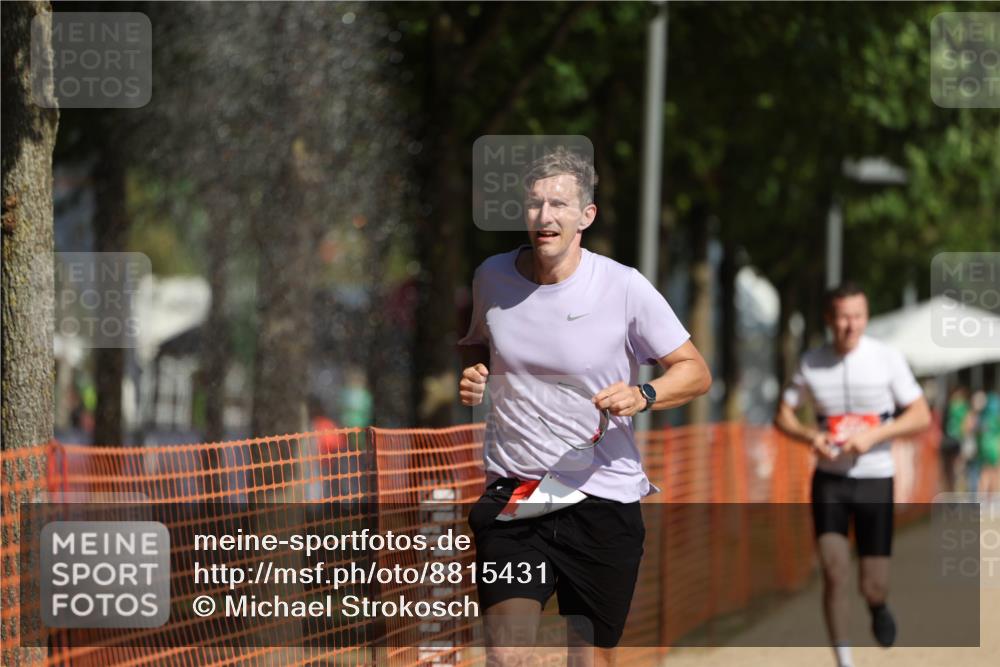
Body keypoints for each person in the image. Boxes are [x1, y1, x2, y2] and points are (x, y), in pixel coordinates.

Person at [458, 148, 711, 667]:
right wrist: (473, 373)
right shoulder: (492, 278)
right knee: (506, 654)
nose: (545, 217)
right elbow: (474, 343)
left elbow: (694, 370)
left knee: (586, 660)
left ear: (585, 216)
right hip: (519, 493)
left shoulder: (622, 287)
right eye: (534, 204)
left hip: (601, 496)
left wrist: (645, 394)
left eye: (559, 204)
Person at [774, 282, 931, 667]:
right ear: (829, 319)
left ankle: (878, 606)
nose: (851, 325)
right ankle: (844, 660)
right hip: (830, 480)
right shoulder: (812, 362)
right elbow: (783, 415)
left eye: (858, 316)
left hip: (876, 478)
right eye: (843, 317)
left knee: (872, 582)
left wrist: (875, 435)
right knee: (834, 570)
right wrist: (812, 436)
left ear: (866, 316)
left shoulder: (886, 358)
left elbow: (920, 414)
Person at [941, 386, 970, 492]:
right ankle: (954, 491)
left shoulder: (951, 406)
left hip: (954, 441)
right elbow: (967, 425)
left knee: (953, 469)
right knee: (955, 469)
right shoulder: (961, 407)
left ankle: (954, 490)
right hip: (953, 441)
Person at [975, 391, 1000, 495]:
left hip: (984, 447)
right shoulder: (995, 418)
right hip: (994, 448)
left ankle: (981, 499)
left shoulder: (982, 417)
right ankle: (995, 500)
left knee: (985, 473)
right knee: (996, 474)